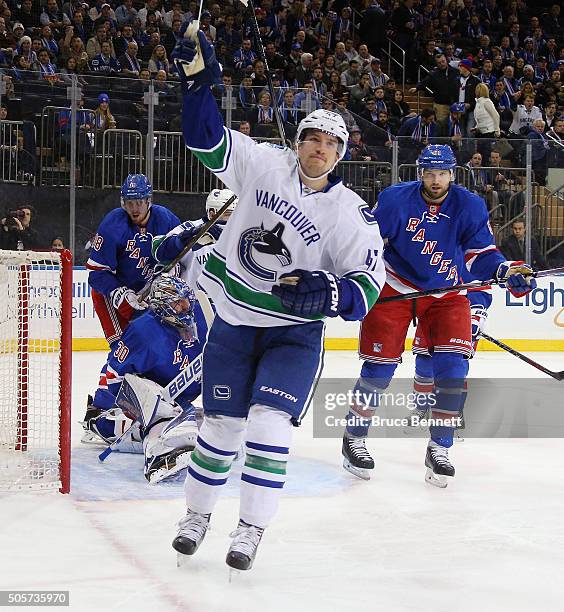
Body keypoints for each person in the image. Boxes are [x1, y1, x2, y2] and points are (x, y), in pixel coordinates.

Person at [170, 28, 385, 571]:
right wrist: (198, 85)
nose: (320, 148)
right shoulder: (263, 164)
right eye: (313, 137)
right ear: (299, 139)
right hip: (235, 324)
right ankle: (196, 517)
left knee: (267, 427)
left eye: (331, 144)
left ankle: (249, 529)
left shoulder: (349, 212)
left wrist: (333, 290)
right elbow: (206, 141)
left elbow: (367, 281)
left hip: (292, 333)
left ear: (340, 155)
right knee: (219, 428)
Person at [341, 144, 536, 487]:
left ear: (452, 174)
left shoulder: (470, 205)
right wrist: (357, 279)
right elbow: (367, 244)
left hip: (448, 293)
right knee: (379, 368)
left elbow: (481, 253)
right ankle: (354, 437)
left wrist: (504, 269)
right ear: (420, 173)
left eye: (442, 173)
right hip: (396, 288)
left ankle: (440, 446)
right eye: (429, 173)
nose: (435, 180)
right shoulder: (394, 199)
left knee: (453, 368)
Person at [82, 275, 206, 484]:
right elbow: (113, 377)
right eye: (179, 304)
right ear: (162, 305)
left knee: (210, 419)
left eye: (187, 302)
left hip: (180, 397)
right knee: (161, 408)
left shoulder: (199, 317)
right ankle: (161, 455)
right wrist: (140, 407)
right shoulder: (143, 332)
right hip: (137, 402)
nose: (186, 309)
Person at [153, 188, 238, 291]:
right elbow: (158, 249)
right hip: (194, 301)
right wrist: (188, 236)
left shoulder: (241, 232)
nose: (233, 218)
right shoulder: (190, 227)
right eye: (228, 214)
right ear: (212, 213)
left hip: (227, 302)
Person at [472, 82, 501, 162]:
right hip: (481, 133)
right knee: (480, 155)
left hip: (489, 133)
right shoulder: (478, 103)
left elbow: (496, 116)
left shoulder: (487, 102)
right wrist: (476, 127)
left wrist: (497, 130)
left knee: (487, 155)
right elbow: (480, 119)